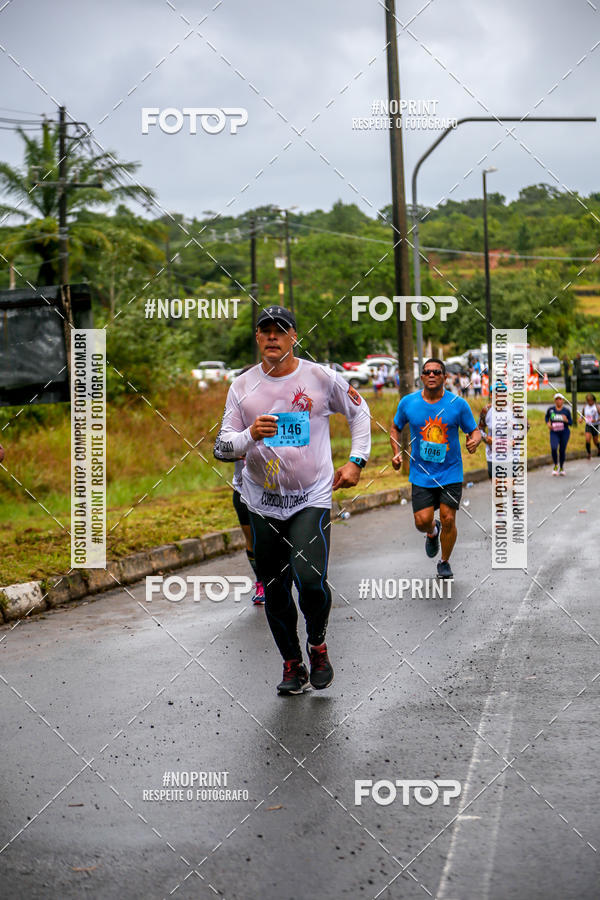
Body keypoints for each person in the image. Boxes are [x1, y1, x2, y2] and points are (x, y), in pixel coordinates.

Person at [214, 305, 371, 695]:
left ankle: (317, 644)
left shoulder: (320, 377)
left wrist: (356, 461)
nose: (272, 337)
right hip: (261, 502)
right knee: (276, 587)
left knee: (310, 581)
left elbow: (359, 411)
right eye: (265, 330)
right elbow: (221, 447)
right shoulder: (241, 387)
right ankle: (292, 664)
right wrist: (250, 433)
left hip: (310, 497)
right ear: (257, 338)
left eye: (280, 331)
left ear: (293, 336)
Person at [390, 358, 481, 579]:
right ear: (421, 377)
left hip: (450, 472)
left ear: (445, 377)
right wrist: (396, 452)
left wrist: (475, 440)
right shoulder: (408, 403)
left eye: (437, 372)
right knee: (421, 522)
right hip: (421, 474)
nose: (432, 375)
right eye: (427, 372)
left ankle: (444, 562)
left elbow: (475, 431)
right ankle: (432, 532)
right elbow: (395, 427)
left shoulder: (458, 404)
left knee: (449, 517)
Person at [545, 392, 572, 475]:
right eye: (557, 399)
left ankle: (561, 467)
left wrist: (566, 420)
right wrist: (548, 423)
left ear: (563, 401)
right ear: (554, 401)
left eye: (560, 399)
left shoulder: (566, 411)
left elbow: (571, 422)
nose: (558, 401)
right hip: (554, 432)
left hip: (564, 432)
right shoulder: (551, 409)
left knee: (562, 450)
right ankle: (556, 465)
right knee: (553, 448)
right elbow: (546, 417)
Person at [582, 393, 600, 459]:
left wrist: (596, 420)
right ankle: (589, 453)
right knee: (587, 439)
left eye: (590, 400)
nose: (589, 402)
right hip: (588, 425)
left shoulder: (597, 407)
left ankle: (599, 448)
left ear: (593, 400)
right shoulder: (585, 407)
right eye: (588, 400)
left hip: (595, 425)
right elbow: (582, 415)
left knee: (595, 441)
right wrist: (581, 419)